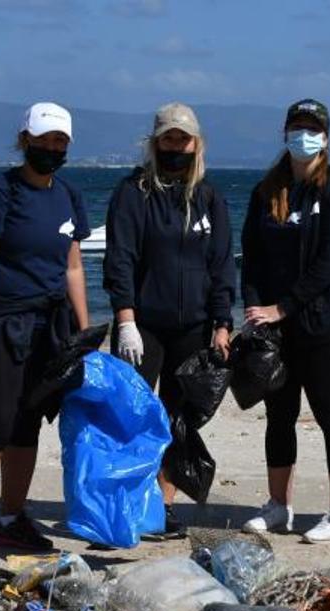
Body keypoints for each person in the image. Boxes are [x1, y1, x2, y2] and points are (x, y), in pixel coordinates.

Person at [0, 101, 91, 557]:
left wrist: (83, 334)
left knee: (28, 425)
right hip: (3, 322)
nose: (50, 148)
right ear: (24, 139)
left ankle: (10, 520)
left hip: (50, 325)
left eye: (59, 141)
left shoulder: (68, 196)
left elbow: (73, 268)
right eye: (43, 139)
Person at [103, 102, 236, 537]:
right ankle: (125, 502)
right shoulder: (133, 193)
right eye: (168, 139)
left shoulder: (209, 198)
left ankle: (162, 505)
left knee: (177, 419)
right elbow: (119, 257)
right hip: (143, 325)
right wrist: (125, 318)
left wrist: (222, 322)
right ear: (155, 142)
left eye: (183, 139)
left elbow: (221, 266)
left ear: (196, 144)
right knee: (132, 417)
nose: (176, 146)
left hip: (194, 326)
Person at [239, 99, 330, 544]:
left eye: (312, 129)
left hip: (324, 323)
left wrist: (285, 306)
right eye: (296, 127)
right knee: (279, 414)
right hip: (274, 328)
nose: (303, 136)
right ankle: (278, 506)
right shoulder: (266, 191)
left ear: (325, 138)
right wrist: (255, 308)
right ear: (285, 133)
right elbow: (250, 256)